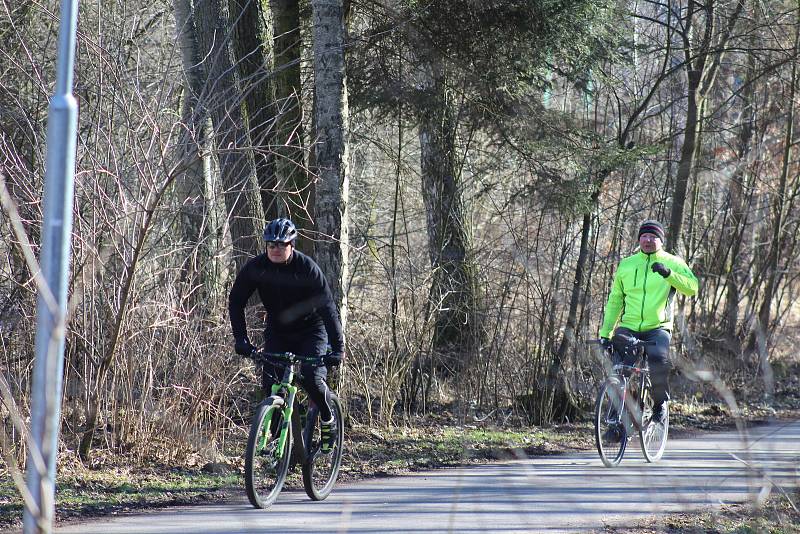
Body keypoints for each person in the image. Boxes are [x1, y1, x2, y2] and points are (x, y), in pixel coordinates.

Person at [229, 218, 345, 452]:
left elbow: (328, 307)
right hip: (278, 331)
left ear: (292, 244)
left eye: (281, 245)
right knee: (272, 383)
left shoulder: (307, 268)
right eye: (271, 245)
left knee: (312, 377)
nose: (276, 249)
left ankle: (327, 417)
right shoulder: (257, 267)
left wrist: (337, 348)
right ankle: (278, 446)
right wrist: (240, 338)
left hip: (312, 330)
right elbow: (236, 301)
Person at [599, 220, 698, 434]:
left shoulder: (672, 261)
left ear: (661, 240)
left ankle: (660, 403)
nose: (648, 240)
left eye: (653, 237)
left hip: (658, 327)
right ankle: (617, 420)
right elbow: (615, 300)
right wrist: (605, 334)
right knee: (619, 370)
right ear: (639, 239)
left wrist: (669, 274)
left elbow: (692, 287)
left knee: (657, 360)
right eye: (644, 236)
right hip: (629, 326)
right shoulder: (627, 264)